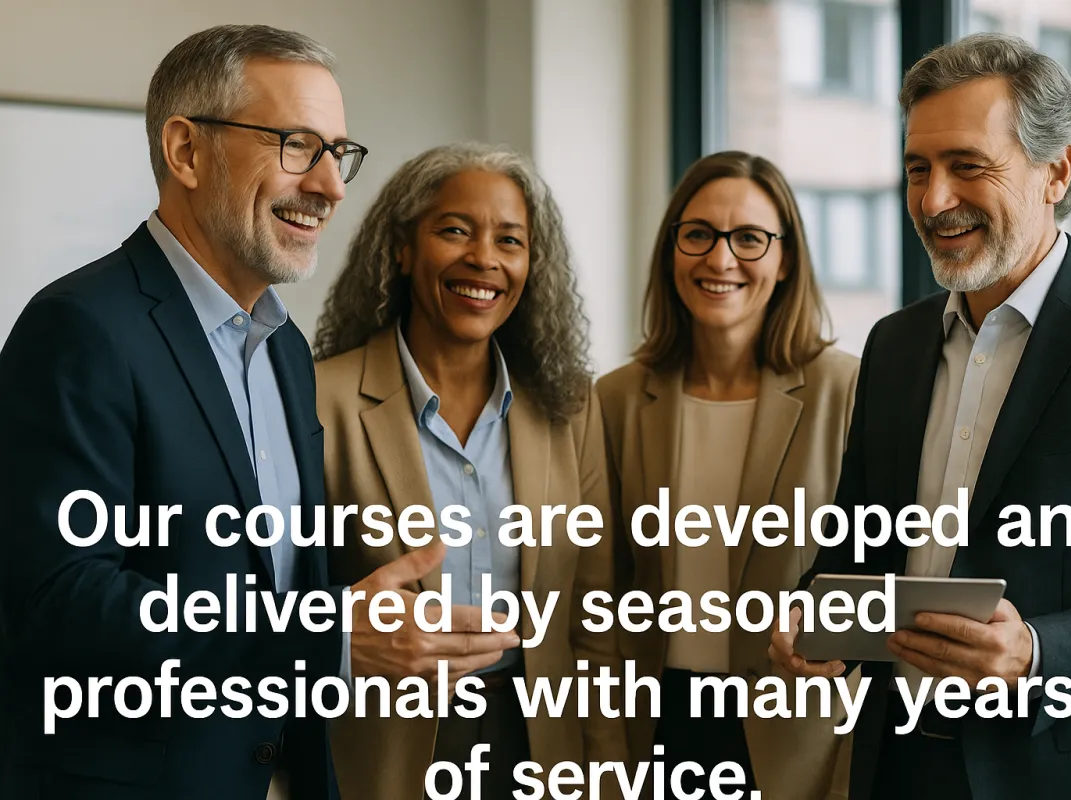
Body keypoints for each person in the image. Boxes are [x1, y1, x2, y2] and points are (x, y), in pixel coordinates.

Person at [0, 24, 451, 800]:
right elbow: (62, 603)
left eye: (338, 153)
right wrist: (326, 635)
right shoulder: (78, 327)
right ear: (185, 152)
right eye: (297, 144)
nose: (333, 187)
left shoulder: (284, 350)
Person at [768, 32, 1071, 800]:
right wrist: (815, 610)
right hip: (900, 768)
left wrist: (1037, 651)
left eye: (968, 166)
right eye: (917, 170)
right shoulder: (895, 345)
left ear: (1056, 170)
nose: (934, 201)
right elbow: (859, 543)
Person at [310, 141, 629, 800]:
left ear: (531, 264)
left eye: (509, 240)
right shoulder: (320, 399)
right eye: (455, 230)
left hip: (538, 751)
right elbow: (282, 605)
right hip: (382, 756)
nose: (484, 258)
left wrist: (604, 778)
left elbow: (592, 626)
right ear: (401, 248)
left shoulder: (569, 409)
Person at [595, 151, 859, 799]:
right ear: (670, 250)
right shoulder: (616, 399)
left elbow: (877, 564)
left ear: (785, 259)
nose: (720, 260)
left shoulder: (848, 390)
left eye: (749, 239)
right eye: (698, 235)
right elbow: (598, 595)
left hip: (796, 734)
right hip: (652, 728)